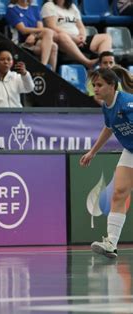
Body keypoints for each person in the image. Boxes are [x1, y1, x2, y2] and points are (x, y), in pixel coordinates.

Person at [79, 68, 133, 259]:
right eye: (94, 85)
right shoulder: (106, 106)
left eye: (100, 85)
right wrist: (92, 152)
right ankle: (111, 243)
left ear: (112, 85)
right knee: (119, 193)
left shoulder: (127, 103)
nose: (96, 89)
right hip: (130, 150)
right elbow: (109, 128)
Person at [41, 0, 112, 69]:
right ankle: (87, 62)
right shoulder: (49, 6)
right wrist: (72, 38)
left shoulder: (72, 7)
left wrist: (83, 37)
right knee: (62, 36)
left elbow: (81, 26)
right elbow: (52, 27)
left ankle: (103, 62)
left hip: (78, 39)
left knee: (106, 37)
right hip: (62, 41)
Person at [6, 0, 58, 71]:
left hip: (35, 40)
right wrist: (35, 35)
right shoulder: (12, 10)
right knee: (49, 35)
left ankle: (47, 69)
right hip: (22, 43)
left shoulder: (34, 8)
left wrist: (33, 36)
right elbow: (23, 30)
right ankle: (45, 69)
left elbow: (40, 28)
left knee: (54, 45)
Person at [0, 41, 35, 108]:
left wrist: (25, 74)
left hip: (16, 116)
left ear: (12, 62)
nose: (6, 62)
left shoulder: (16, 77)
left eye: (9, 59)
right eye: (2, 59)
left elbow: (30, 88)